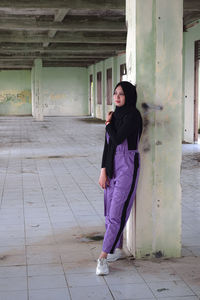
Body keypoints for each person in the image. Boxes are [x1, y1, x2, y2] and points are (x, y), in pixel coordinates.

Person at [96, 81, 143, 276]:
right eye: (115, 93)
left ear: (129, 96)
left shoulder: (133, 116)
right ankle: (115, 248)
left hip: (127, 167)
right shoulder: (115, 116)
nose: (117, 97)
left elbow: (117, 139)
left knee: (116, 212)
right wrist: (103, 170)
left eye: (121, 94)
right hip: (112, 166)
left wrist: (107, 124)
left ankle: (103, 257)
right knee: (109, 212)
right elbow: (108, 146)